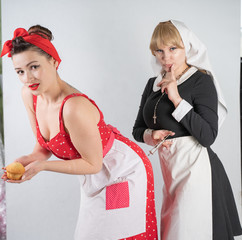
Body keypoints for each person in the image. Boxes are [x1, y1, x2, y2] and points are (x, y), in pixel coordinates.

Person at [0, 25, 160, 240]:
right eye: (20, 71)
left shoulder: (74, 107)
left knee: (118, 234)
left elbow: (93, 163)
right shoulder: (30, 95)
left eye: (34, 67)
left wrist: (42, 166)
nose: (28, 78)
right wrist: (30, 159)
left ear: (54, 62)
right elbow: (43, 147)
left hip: (121, 170)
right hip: (92, 175)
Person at [132, 20, 242, 240]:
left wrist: (175, 98)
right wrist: (151, 135)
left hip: (197, 171)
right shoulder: (152, 84)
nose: (166, 57)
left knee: (189, 232)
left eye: (173, 49)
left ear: (187, 47)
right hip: (170, 172)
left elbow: (207, 136)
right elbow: (137, 130)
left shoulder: (201, 81)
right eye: (159, 50)